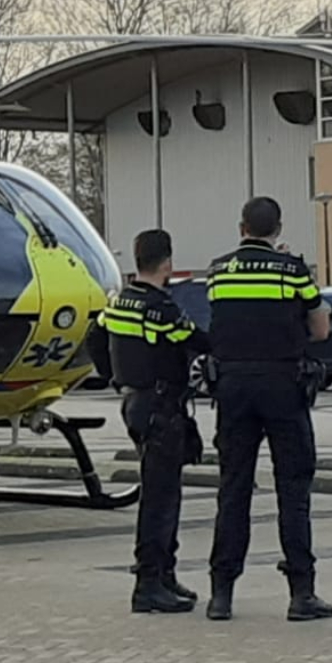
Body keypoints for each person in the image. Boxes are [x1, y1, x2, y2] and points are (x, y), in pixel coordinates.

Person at [204, 197, 332, 623]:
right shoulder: (294, 270)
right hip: (283, 385)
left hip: (233, 387)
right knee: (293, 490)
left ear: (242, 228)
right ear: (277, 229)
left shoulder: (218, 270)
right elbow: (320, 329)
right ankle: (302, 594)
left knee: (233, 489)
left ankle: (220, 595)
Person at [95, 229, 209, 614]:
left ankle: (163, 574)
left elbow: (95, 336)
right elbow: (196, 340)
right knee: (161, 500)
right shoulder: (161, 309)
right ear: (167, 263)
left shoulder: (119, 302)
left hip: (135, 403)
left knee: (160, 492)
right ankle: (149, 583)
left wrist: (116, 376)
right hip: (162, 407)